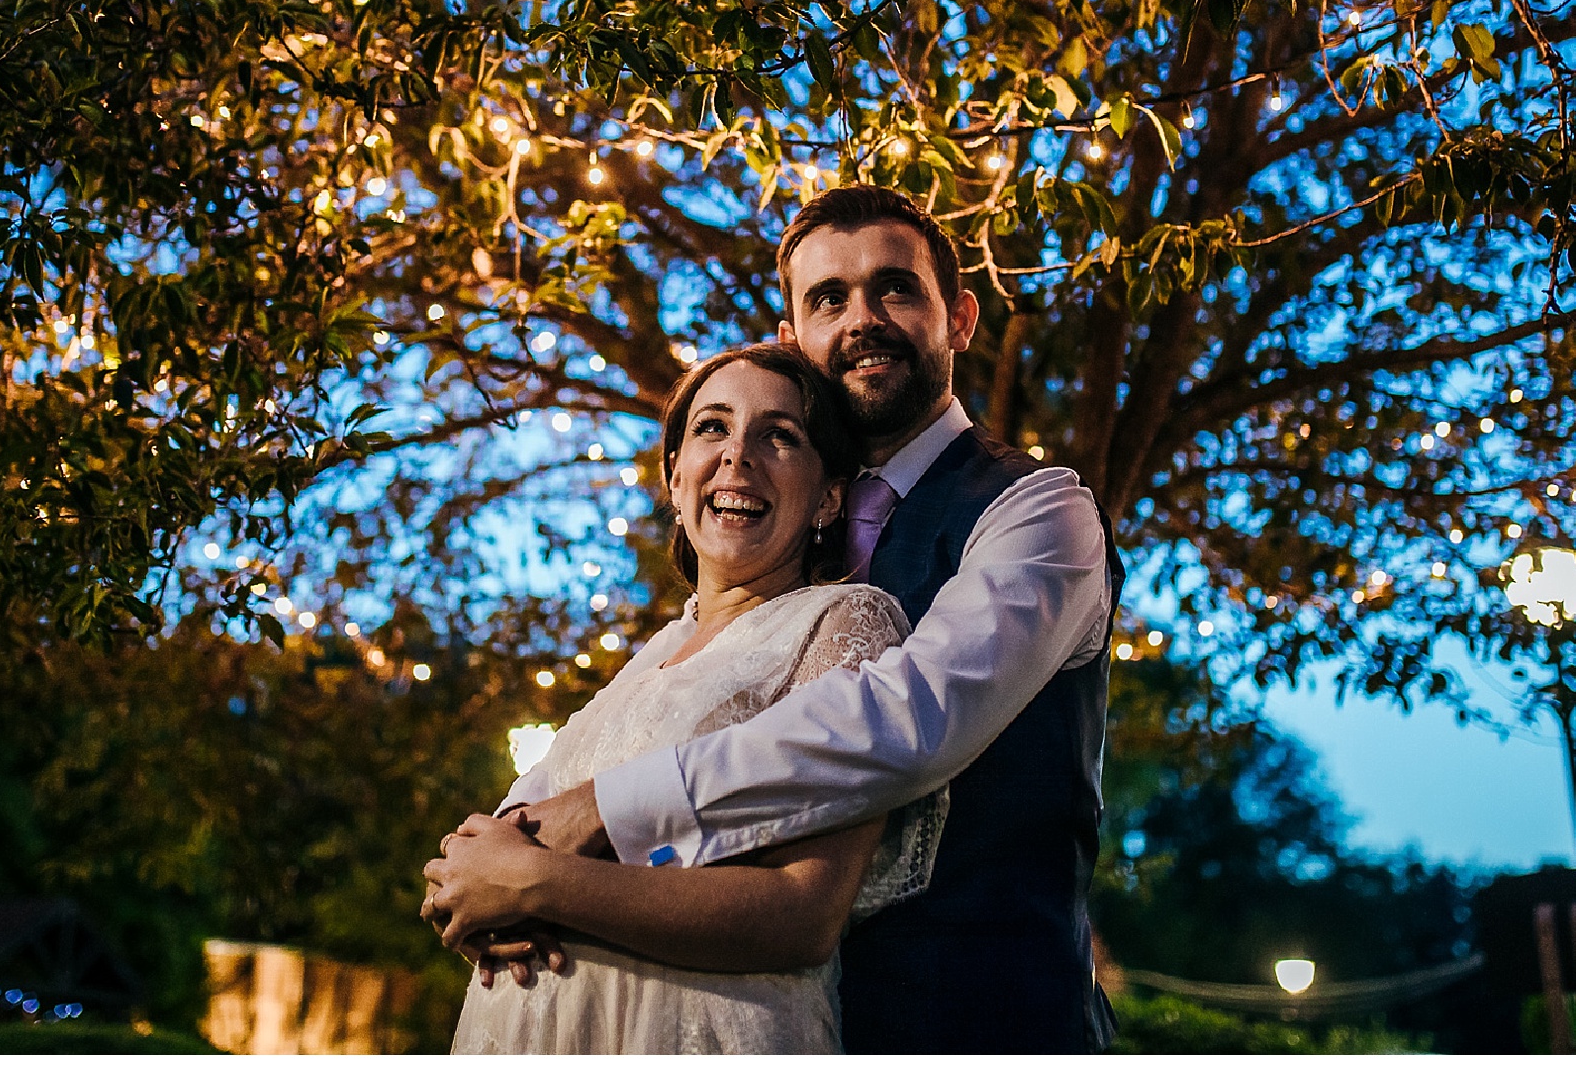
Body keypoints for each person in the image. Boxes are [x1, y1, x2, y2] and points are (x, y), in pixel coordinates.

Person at [437, 184, 1120, 1052]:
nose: (863, 318)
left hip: (986, 1020)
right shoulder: (759, 570)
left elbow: (904, 721)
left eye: (896, 289)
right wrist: (495, 858)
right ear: (796, 336)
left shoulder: (1036, 512)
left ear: (961, 318)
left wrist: (604, 814)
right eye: (830, 299)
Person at [429, 341, 948, 1053]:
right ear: (675, 479)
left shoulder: (842, 624)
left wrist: (539, 887)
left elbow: (801, 916)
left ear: (829, 494)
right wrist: (461, 884)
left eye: (780, 435)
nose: (738, 456)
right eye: (712, 427)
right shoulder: (645, 663)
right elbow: (517, 835)